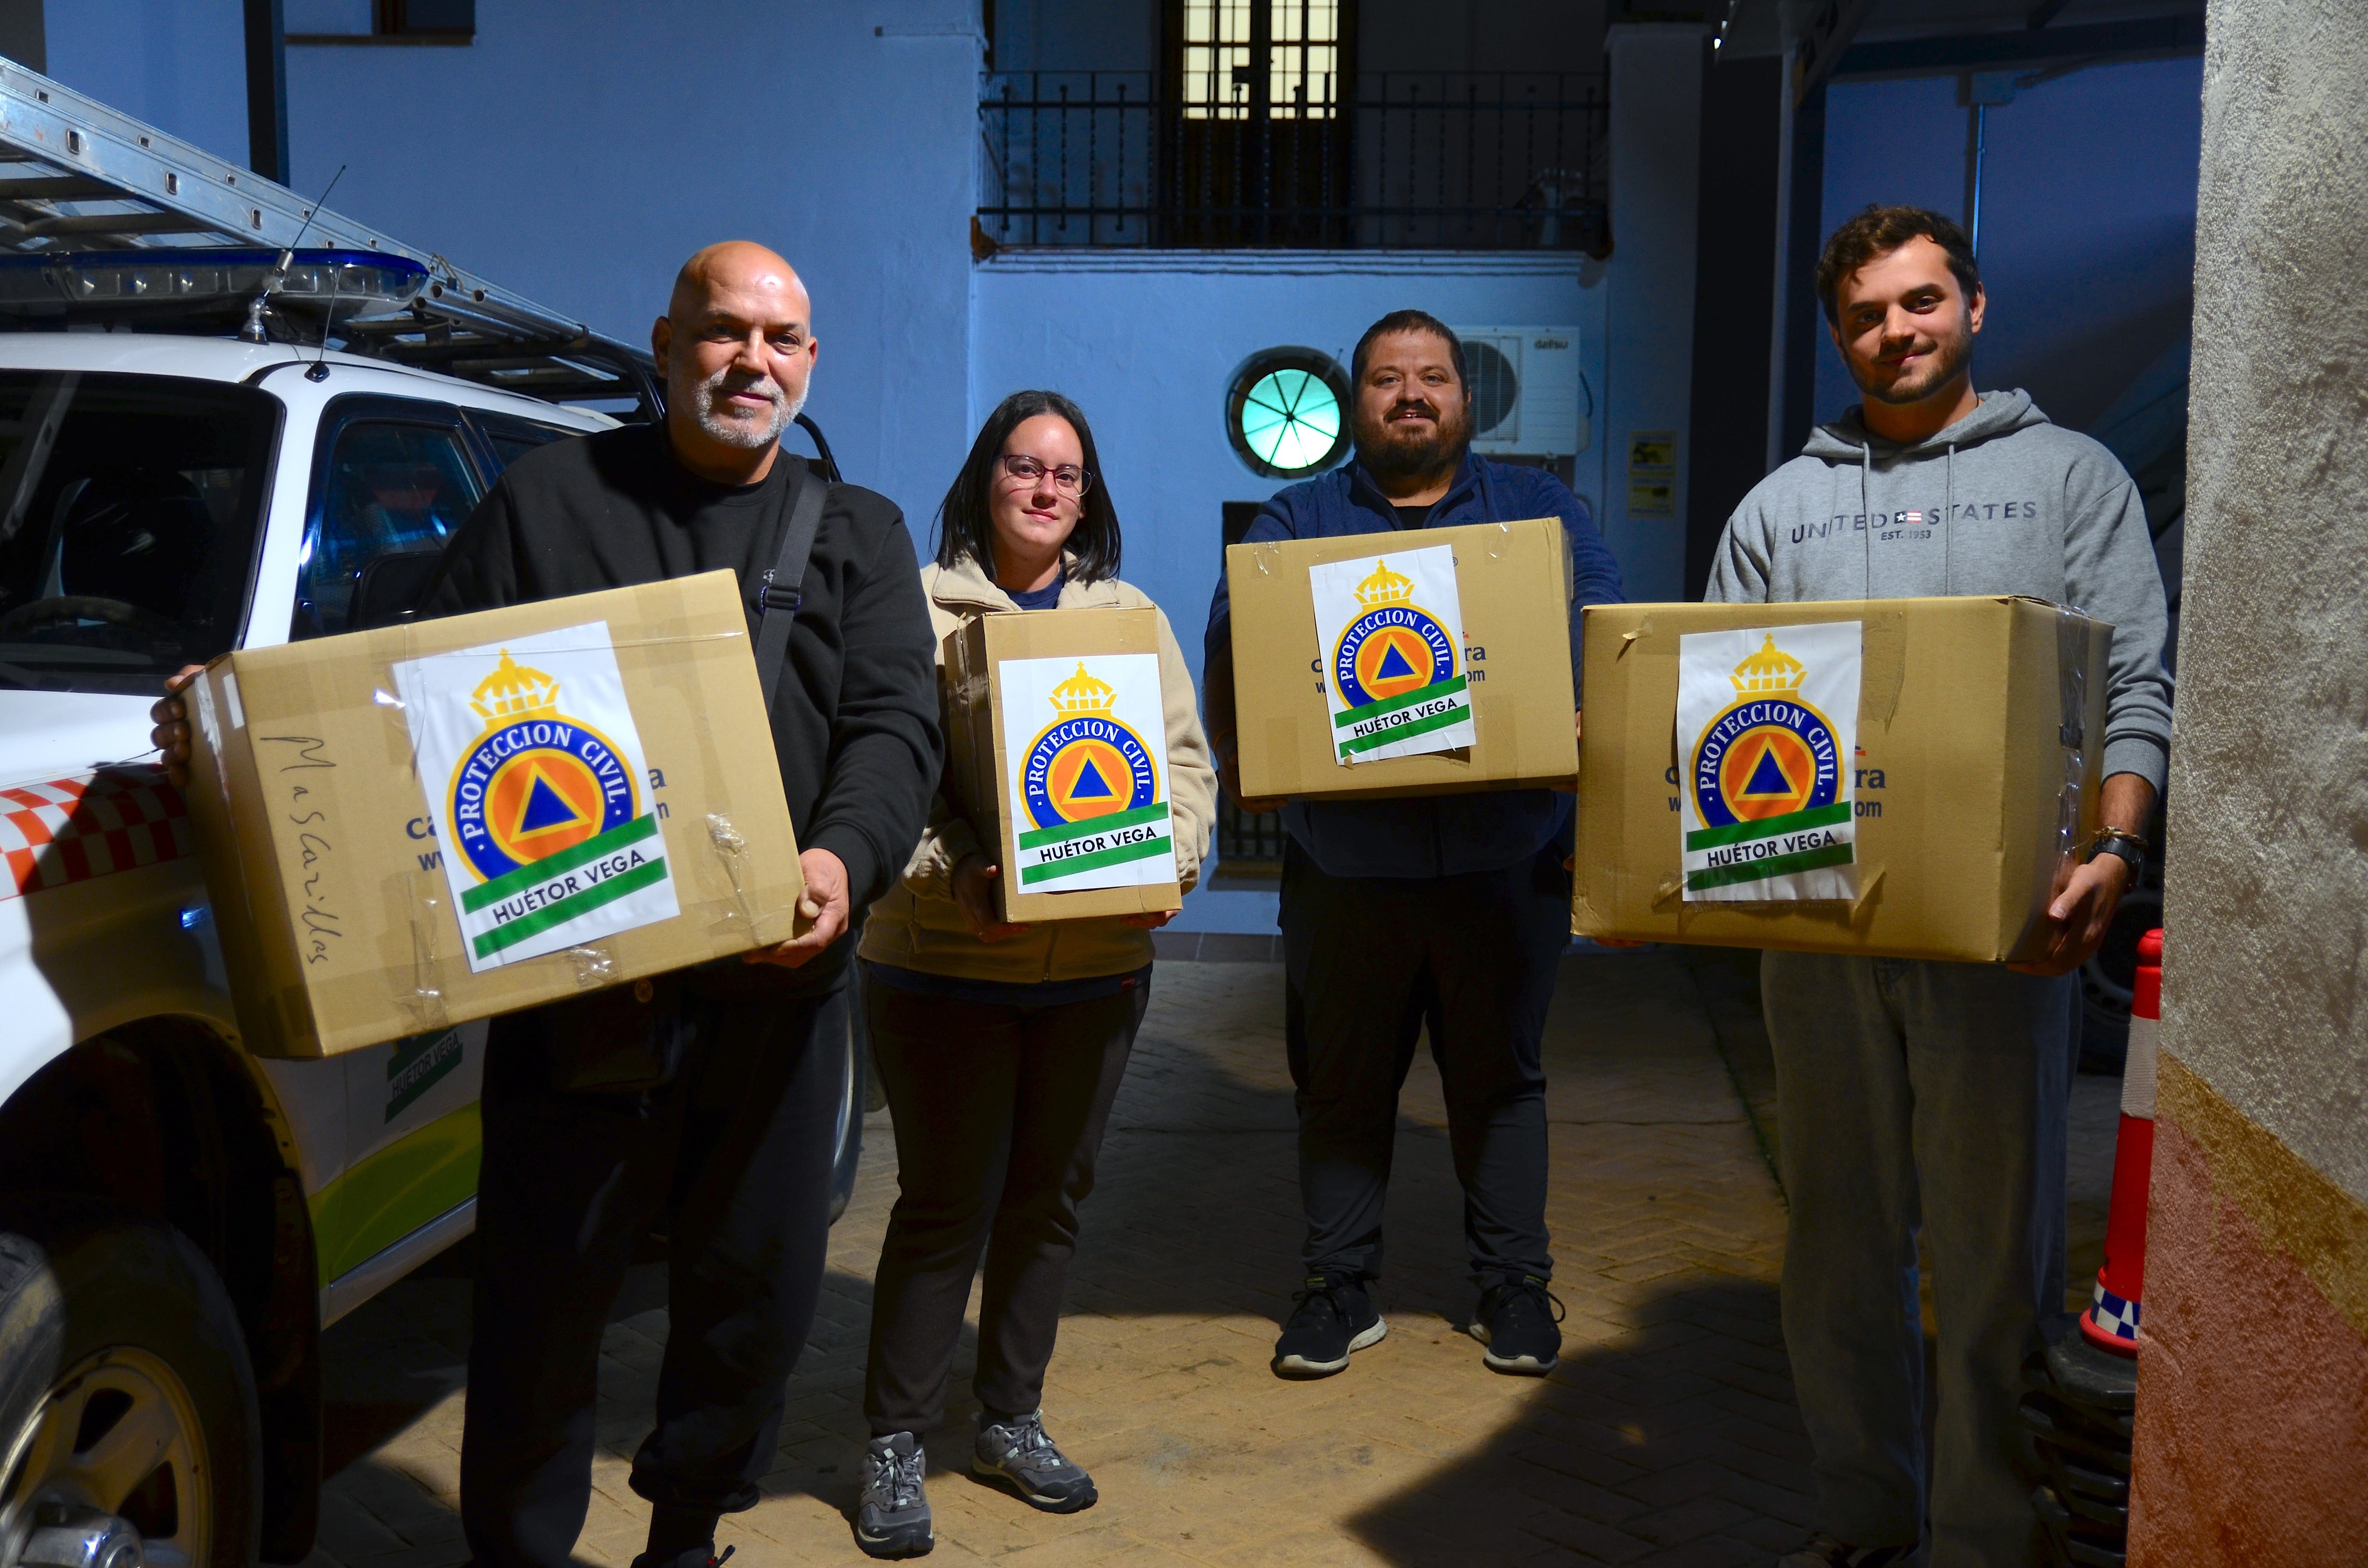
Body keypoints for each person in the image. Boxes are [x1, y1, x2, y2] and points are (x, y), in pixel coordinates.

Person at [158, 242, 942, 1568]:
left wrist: (843, 861)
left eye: (783, 339)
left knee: (752, 1302)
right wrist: (238, 713)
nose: (753, 360)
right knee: (538, 1309)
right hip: (579, 1000)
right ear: (667, 341)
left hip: (775, 999)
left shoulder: (857, 528)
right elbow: (405, 689)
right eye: (723, 331)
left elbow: (894, 725)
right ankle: (520, 1550)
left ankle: (686, 1535)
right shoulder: (548, 500)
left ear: (810, 364)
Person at [1705, 207, 2170, 1568]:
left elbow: (2136, 682)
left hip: (2005, 941)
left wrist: (2117, 852)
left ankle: (1983, 1540)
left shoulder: (2074, 480)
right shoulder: (1780, 510)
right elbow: (1712, 718)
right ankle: (1864, 1524)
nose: (1895, 331)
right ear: (1837, 332)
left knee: (1992, 1267)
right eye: (1866, 313)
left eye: (1921, 303)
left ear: (1976, 305)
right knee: (1841, 1258)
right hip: (1822, 937)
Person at [1201, 309, 1626, 1382]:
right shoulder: (1295, 523)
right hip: (1347, 866)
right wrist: (1249, 761)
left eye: (1432, 377)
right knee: (1342, 1089)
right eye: (1387, 380)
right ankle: (1338, 1288)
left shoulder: (1535, 510)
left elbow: (1610, 631)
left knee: (1500, 1081)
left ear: (1465, 401)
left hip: (1506, 859)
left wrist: (1585, 715)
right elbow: (1234, 642)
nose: (1410, 396)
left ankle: (1513, 1288)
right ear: (1356, 404)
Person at [848, 391, 1216, 1558]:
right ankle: (896, 1442)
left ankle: (1009, 1419)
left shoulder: (1131, 616)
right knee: (947, 1202)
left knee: (1049, 1201)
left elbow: (1186, 766)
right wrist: (951, 871)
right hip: (943, 962)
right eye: (1023, 466)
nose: (1046, 488)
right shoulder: (912, 604)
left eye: (1067, 472)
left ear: (1088, 493)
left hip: (1097, 964)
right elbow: (875, 772)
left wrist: (1178, 862)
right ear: (985, 479)